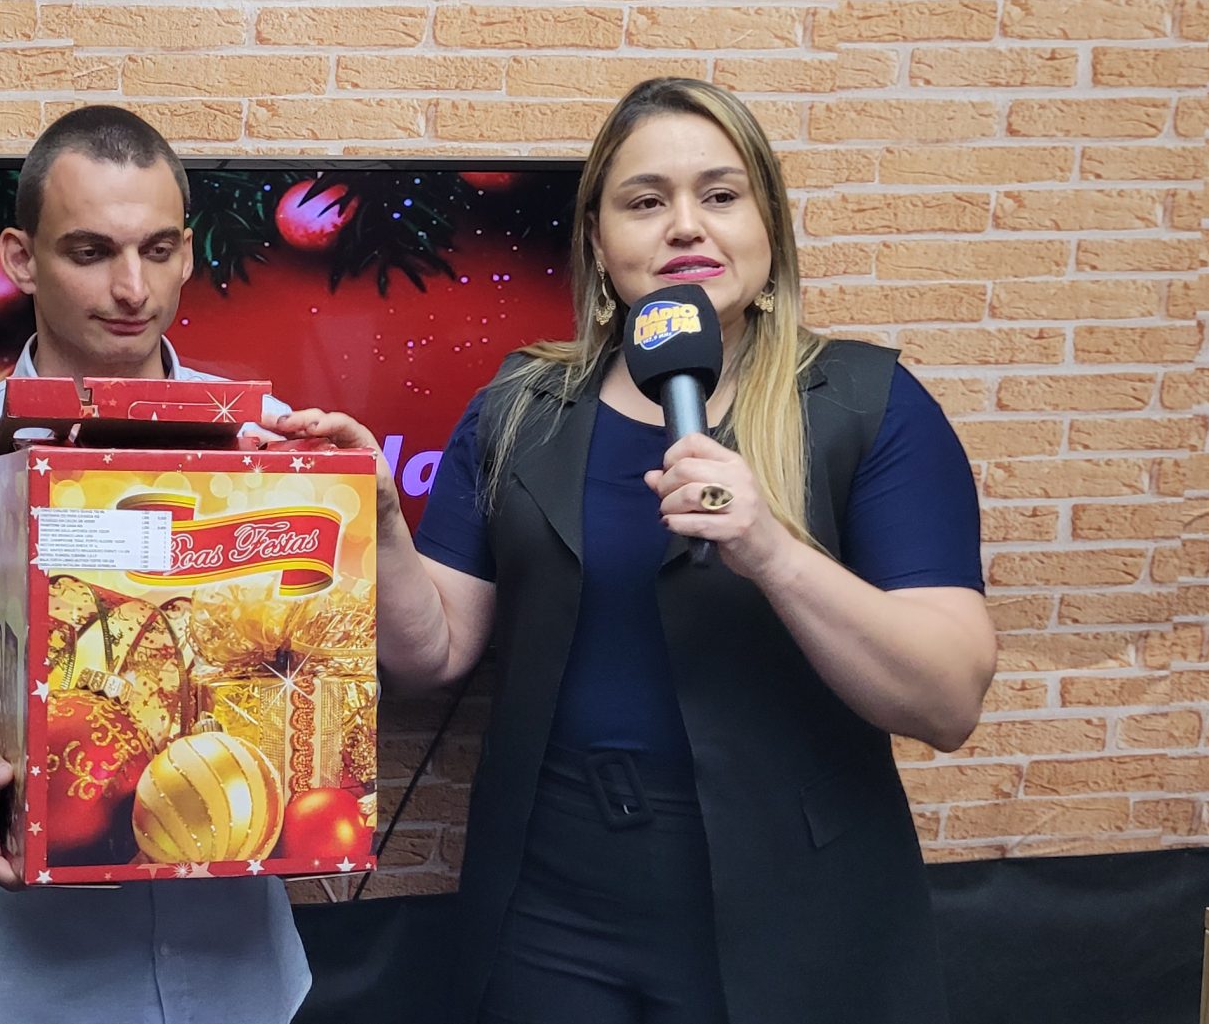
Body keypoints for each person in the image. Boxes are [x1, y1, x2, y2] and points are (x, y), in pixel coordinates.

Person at [277, 77, 996, 1023]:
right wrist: (380, 522)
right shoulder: (519, 407)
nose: (685, 226)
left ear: (769, 229)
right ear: (598, 242)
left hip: (796, 901)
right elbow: (433, 654)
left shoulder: (869, 404)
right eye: (646, 201)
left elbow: (948, 700)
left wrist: (772, 551)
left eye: (721, 195)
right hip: (552, 903)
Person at [0, 105, 309, 1024]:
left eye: (157, 250)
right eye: (90, 252)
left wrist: (370, 516)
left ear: (188, 252)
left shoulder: (269, 441)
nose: (132, 287)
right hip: (38, 985)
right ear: (19, 256)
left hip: (245, 979)